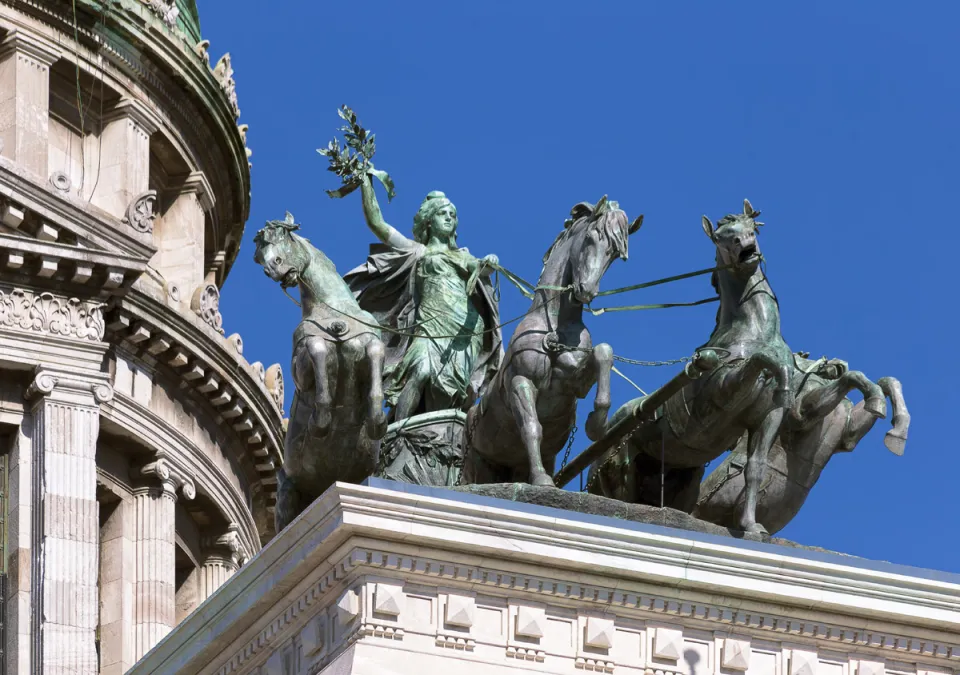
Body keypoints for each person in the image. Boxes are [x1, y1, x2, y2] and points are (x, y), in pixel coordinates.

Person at [344, 174, 503, 421]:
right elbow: (377, 223)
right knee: (419, 370)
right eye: (443, 213)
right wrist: (366, 182)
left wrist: (489, 261)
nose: (450, 218)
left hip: (464, 331)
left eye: (453, 214)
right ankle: (397, 434)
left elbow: (481, 268)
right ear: (429, 221)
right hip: (429, 327)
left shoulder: (463, 256)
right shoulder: (417, 251)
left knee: (458, 394)